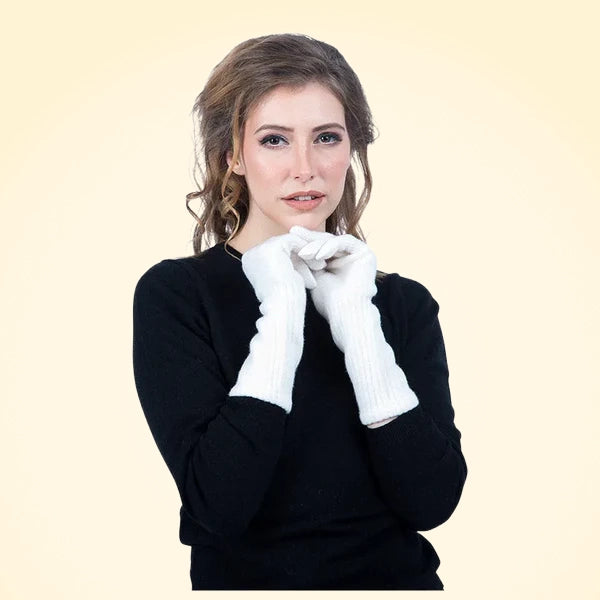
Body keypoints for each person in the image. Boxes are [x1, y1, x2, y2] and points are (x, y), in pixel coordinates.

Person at [132, 33, 467, 590]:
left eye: (326, 137)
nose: (305, 168)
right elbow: (219, 505)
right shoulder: (177, 295)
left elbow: (431, 502)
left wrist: (359, 326)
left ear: (350, 149)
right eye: (274, 140)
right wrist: (283, 313)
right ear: (233, 155)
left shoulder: (402, 303)